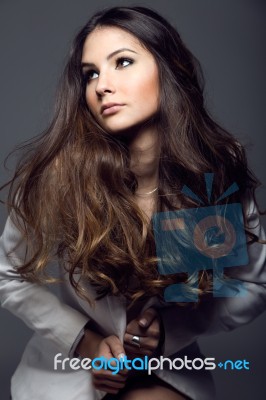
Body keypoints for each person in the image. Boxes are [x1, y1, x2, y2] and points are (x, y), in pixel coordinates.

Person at [0, 6, 265, 400]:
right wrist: (84, 341)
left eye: (122, 62)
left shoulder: (206, 175)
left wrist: (166, 332)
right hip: (68, 373)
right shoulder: (59, 174)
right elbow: (8, 276)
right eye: (91, 73)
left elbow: (251, 286)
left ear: (169, 68)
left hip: (164, 367)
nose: (101, 85)